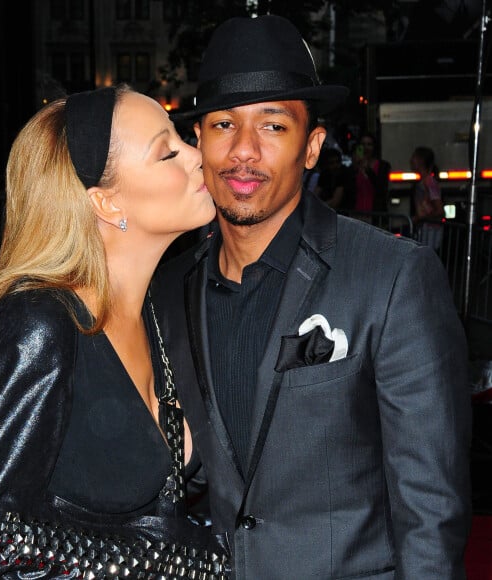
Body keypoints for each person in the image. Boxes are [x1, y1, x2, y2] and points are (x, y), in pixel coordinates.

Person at [151, 14, 472, 579]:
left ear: (311, 146)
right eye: (224, 124)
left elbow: (431, 507)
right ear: (197, 139)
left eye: (273, 126)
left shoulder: (394, 277)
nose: (243, 151)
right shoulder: (168, 290)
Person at [0, 84, 217, 579]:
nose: (197, 155)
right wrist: (153, 564)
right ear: (105, 203)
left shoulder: (156, 312)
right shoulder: (39, 323)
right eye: (167, 151)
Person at [345, 131, 391, 213]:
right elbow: (348, 189)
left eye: (369, 144)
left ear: (374, 147)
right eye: (363, 144)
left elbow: (381, 188)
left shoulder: (383, 166)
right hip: (356, 213)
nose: (366, 147)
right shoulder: (353, 167)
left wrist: (368, 169)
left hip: (376, 214)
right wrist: (355, 166)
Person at [410, 145, 445, 251]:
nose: (411, 160)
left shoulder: (429, 182)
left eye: (414, 157)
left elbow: (439, 210)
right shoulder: (422, 183)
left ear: (420, 161)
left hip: (431, 232)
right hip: (426, 231)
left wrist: (421, 218)